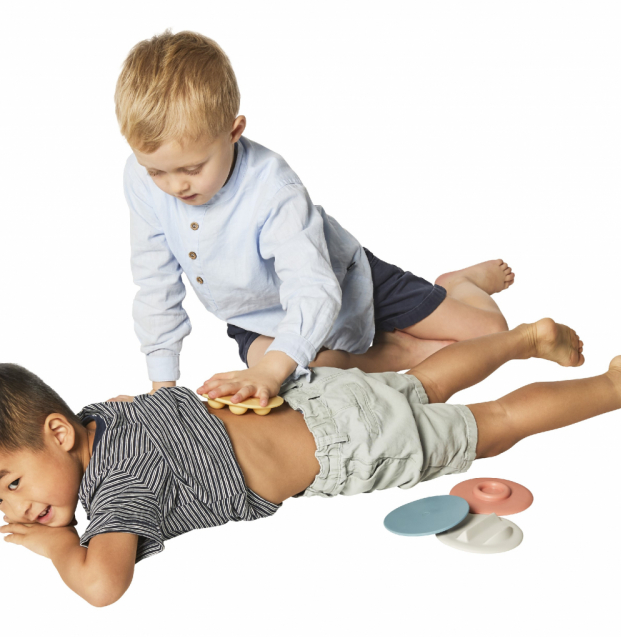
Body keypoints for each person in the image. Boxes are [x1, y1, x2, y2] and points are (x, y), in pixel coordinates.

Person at [0, 319, 621, 607]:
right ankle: (523, 338)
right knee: (425, 381)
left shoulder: (115, 493)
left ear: (59, 435)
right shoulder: (104, 415)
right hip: (311, 397)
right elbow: (143, 400)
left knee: (490, 428)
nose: (16, 510)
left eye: (12, 483)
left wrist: (59, 546)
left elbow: (103, 586)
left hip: (344, 451)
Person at [117, 29, 515, 407]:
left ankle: (458, 284)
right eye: (156, 171)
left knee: (492, 335)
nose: (175, 186)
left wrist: (273, 368)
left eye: (192, 168)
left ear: (234, 131)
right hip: (258, 316)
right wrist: (162, 389)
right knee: (295, 380)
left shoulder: (274, 189)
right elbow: (155, 281)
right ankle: (403, 350)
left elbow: (313, 286)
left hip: (344, 280)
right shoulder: (141, 178)